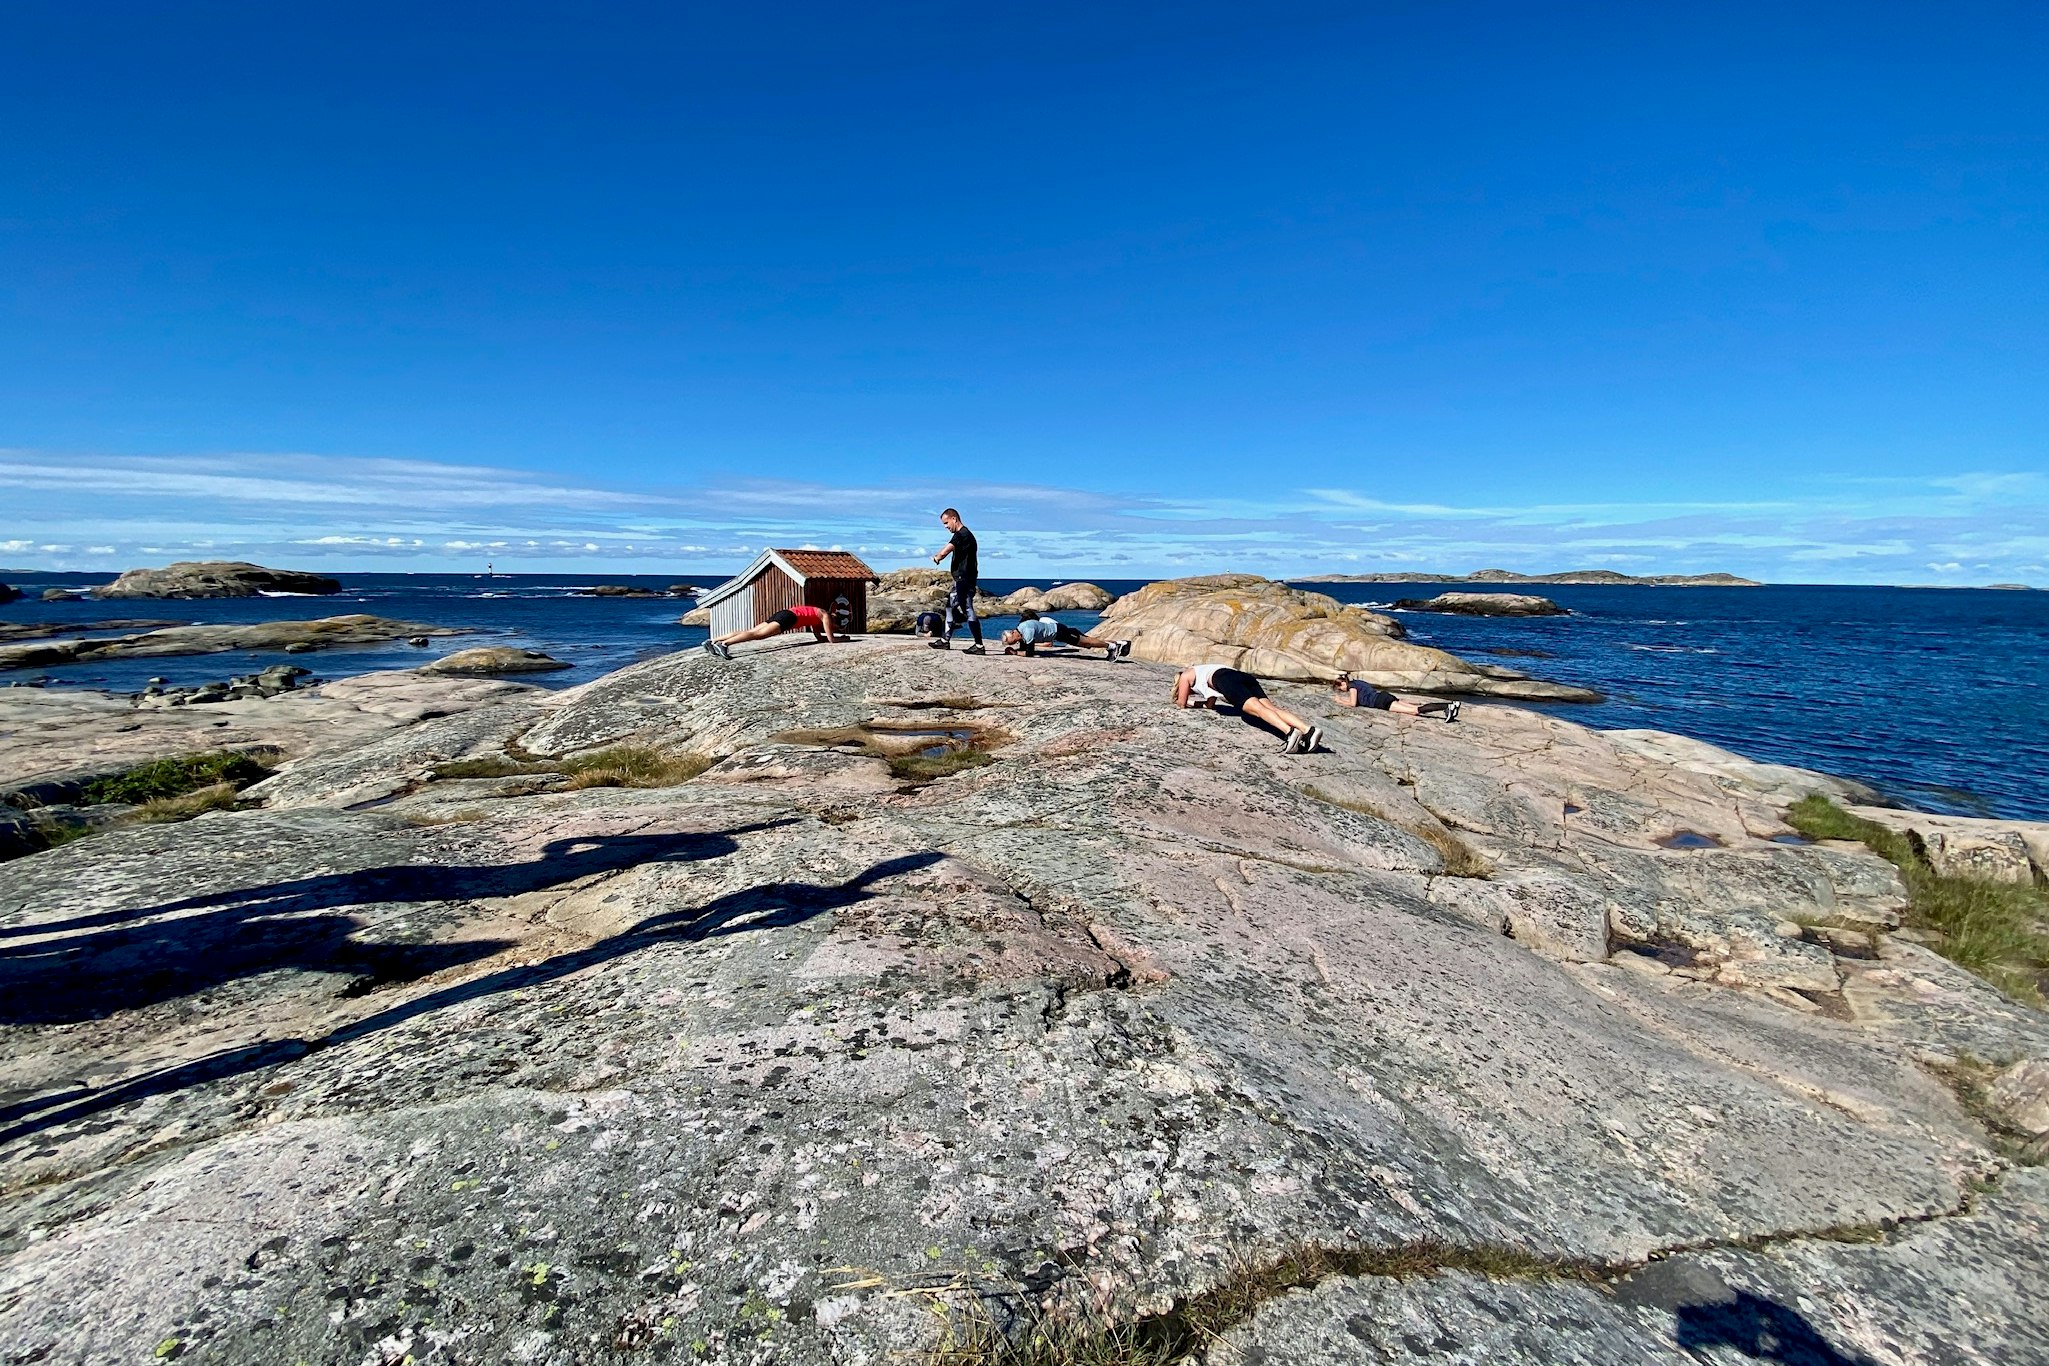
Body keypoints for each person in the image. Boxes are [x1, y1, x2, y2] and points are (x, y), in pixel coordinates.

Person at [1173, 663, 1322, 754]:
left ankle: (1290, 733)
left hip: (1224, 680)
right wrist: (1194, 703)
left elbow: (1181, 703)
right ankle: (1308, 730)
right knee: (1271, 708)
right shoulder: (1203, 670)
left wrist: (1185, 701)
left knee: (1257, 710)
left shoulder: (1186, 675)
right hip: (1241, 676)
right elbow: (1210, 705)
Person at [927, 507, 985, 654]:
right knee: (950, 607)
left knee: (967, 608)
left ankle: (979, 646)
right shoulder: (966, 535)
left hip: (964, 578)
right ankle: (945, 641)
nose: (946, 527)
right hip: (962, 578)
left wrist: (937, 557)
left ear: (954, 519)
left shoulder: (962, 534)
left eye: (946, 523)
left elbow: (946, 550)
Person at [703, 603, 840, 659]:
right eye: (834, 625)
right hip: (790, 618)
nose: (831, 627)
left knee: (751, 631)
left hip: (785, 613)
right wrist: (842, 639)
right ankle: (725, 644)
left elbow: (819, 637)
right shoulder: (825, 615)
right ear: (833, 619)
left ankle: (714, 641)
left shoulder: (817, 616)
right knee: (758, 635)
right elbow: (831, 639)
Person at [1001, 610, 1132, 661]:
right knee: (1087, 643)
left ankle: (1113, 646)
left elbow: (1030, 653)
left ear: (1013, 634)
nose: (1011, 643)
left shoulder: (1027, 631)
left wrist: (1015, 653)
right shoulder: (1022, 629)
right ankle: (1115, 644)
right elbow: (1024, 647)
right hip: (1058, 632)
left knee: (1086, 643)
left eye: (1009, 641)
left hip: (1060, 632)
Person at [1332, 671, 1461, 722]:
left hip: (1382, 702)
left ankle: (1447, 706)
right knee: (1416, 709)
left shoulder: (1352, 687)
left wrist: (1340, 701)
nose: (1343, 691)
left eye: (1341, 688)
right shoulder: (1359, 682)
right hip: (1385, 696)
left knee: (1415, 711)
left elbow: (1353, 703)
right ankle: (1451, 705)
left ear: (1343, 683)